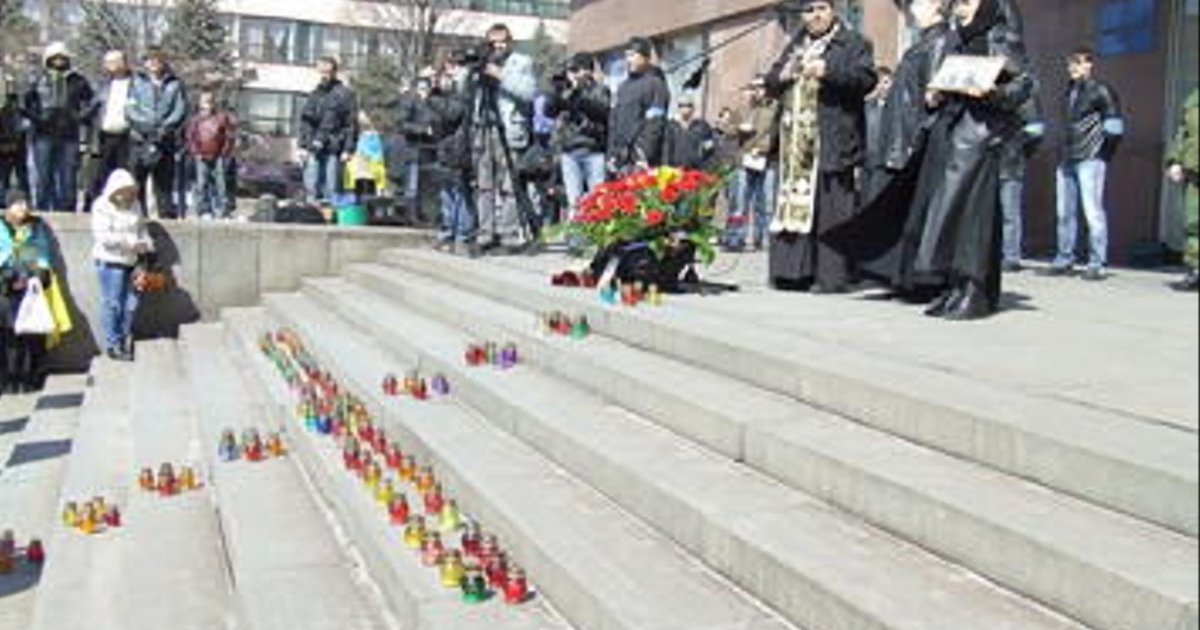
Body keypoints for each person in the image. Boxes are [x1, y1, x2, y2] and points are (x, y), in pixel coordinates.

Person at [907, 0, 1034, 319]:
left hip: (981, 135)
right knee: (950, 213)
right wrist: (937, 94)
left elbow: (1023, 85)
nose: (959, 5)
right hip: (954, 131)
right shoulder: (957, 37)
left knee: (973, 217)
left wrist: (992, 92)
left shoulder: (1000, 35)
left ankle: (974, 290)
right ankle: (954, 286)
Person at [765, 0, 877, 293]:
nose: (815, 15)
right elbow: (770, 81)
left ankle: (831, 277)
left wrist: (828, 70)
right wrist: (784, 75)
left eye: (821, 8)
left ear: (833, 10)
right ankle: (792, 273)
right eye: (809, 10)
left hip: (833, 138)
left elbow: (866, 79)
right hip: (795, 143)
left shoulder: (854, 42)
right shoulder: (796, 44)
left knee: (832, 209)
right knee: (795, 203)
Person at [1048, 47, 1124, 281]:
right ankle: (1065, 258)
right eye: (1070, 63)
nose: (1073, 67)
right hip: (1067, 159)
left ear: (1090, 65)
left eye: (1078, 62)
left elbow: (1115, 127)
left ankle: (1097, 262)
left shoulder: (1101, 90)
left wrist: (1102, 155)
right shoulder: (1069, 92)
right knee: (1064, 213)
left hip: (1090, 159)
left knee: (1093, 212)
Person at [470, 23, 537, 254]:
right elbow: (465, 93)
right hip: (484, 129)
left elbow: (529, 93)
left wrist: (501, 75)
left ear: (510, 42)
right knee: (484, 185)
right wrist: (473, 72)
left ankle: (508, 235)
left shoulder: (522, 62)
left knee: (510, 186)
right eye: (493, 42)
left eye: (502, 42)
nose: (498, 46)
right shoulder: (482, 62)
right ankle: (485, 233)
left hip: (508, 130)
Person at [547, 52, 611, 246]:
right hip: (570, 151)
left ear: (588, 71)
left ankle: (596, 238)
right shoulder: (567, 91)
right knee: (574, 199)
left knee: (596, 197)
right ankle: (577, 241)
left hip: (593, 150)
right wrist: (556, 91)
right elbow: (549, 111)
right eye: (570, 70)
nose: (572, 74)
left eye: (576, 70)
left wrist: (578, 93)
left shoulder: (600, 89)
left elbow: (601, 111)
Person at [24, 42, 94, 212]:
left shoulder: (78, 80)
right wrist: (38, 118)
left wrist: (78, 117)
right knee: (43, 176)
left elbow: (90, 103)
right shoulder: (37, 79)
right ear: (47, 59)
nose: (58, 60)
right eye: (54, 57)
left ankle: (67, 212)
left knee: (68, 176)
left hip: (69, 134)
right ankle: (42, 211)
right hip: (43, 134)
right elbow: (25, 104)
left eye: (62, 57)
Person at [91, 169, 152, 361]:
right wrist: (129, 243)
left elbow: (142, 229)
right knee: (113, 304)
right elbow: (103, 237)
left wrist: (146, 244)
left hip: (133, 261)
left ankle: (125, 337)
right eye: (124, 191)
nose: (128, 195)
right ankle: (113, 343)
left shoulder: (136, 205)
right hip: (111, 262)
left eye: (131, 190)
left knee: (131, 304)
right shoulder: (101, 205)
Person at [127, 47, 189, 219]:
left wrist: (164, 127)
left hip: (164, 139)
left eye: (158, 60)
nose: (154, 63)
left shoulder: (175, 83)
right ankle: (139, 216)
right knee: (137, 181)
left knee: (163, 184)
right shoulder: (136, 81)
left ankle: (166, 217)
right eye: (150, 60)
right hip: (140, 139)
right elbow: (130, 108)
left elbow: (180, 109)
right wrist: (145, 126)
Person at [0, 192, 53, 392]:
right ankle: (8, 378)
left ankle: (30, 377)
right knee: (8, 334)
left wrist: (36, 274)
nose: (24, 207)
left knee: (32, 334)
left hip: (30, 286)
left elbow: (42, 254)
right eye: (18, 203)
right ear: (8, 207)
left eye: (26, 203)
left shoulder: (36, 226)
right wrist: (8, 276)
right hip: (5, 287)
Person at [724, 76, 781, 252]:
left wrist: (764, 148)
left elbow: (778, 132)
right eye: (754, 87)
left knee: (766, 203)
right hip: (744, 160)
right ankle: (735, 238)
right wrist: (738, 128)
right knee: (739, 202)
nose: (757, 91)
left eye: (761, 87)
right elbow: (727, 129)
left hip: (767, 160)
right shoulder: (742, 108)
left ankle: (763, 239)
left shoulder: (776, 108)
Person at [299, 57, 358, 204]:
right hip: (313, 146)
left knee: (331, 187)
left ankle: (329, 209)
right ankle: (312, 208)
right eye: (321, 71)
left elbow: (351, 124)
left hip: (334, 146)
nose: (324, 75)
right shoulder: (315, 95)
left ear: (334, 72)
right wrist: (303, 145)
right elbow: (305, 121)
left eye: (327, 72)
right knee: (311, 185)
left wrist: (348, 149)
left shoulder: (344, 94)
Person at [608, 37, 671, 173]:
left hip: (643, 159)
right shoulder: (622, 87)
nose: (628, 60)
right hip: (621, 158)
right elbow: (614, 121)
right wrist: (612, 153)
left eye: (632, 55)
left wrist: (643, 153)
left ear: (645, 57)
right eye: (626, 56)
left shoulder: (655, 84)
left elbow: (655, 123)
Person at [999, 89, 1045, 272]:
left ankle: (1011, 257)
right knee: (997, 215)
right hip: (992, 164)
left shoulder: (1025, 98)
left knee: (1009, 214)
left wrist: (1017, 152)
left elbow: (1036, 133)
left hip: (1010, 165)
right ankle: (998, 255)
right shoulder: (994, 97)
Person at [88, 50, 135, 211]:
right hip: (105, 135)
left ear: (124, 63)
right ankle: (95, 207)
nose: (110, 65)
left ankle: (127, 207)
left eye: (114, 61)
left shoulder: (136, 84)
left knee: (125, 175)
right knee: (100, 175)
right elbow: (91, 108)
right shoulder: (102, 85)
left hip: (128, 136)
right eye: (107, 62)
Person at [185, 91, 237, 219]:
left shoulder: (221, 118)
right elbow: (191, 137)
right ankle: (203, 209)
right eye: (204, 102)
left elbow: (228, 136)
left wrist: (224, 152)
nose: (207, 105)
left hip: (218, 155)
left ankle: (222, 209)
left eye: (209, 102)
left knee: (221, 183)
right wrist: (195, 152)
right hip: (201, 155)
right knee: (201, 182)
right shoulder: (196, 120)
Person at [1167, 88, 1198, 292]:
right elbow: (1182, 133)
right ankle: (1195, 271)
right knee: (1193, 221)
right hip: (1194, 169)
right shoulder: (1193, 98)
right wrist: (1174, 160)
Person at [862, 65, 894, 202]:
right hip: (866, 162)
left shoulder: (895, 108)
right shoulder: (867, 106)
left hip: (883, 164)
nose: (884, 87)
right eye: (880, 83)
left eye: (887, 82)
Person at [345, 110, 388, 201]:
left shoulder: (374, 137)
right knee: (361, 185)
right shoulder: (364, 136)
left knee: (367, 187)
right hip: (363, 168)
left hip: (369, 167)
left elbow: (374, 152)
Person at [665, 96, 716, 170]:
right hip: (675, 169)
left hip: (696, 169)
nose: (685, 108)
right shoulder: (671, 126)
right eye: (681, 105)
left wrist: (705, 165)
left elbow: (709, 148)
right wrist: (667, 167)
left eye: (688, 105)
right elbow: (666, 149)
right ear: (678, 108)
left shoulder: (703, 126)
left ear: (693, 108)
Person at [0, 92, 30, 207]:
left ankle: (24, 201)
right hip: (5, 151)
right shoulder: (3, 114)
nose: (13, 105)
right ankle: (3, 201)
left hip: (18, 151)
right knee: (5, 177)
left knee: (20, 178)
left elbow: (25, 129)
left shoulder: (22, 114)